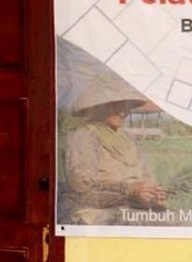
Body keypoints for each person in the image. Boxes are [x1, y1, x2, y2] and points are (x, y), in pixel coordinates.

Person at [64, 72, 168, 225]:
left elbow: (147, 179)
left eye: (125, 105)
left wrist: (155, 194)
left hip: (136, 211)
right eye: (114, 106)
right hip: (98, 216)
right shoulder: (84, 138)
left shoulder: (130, 140)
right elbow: (81, 194)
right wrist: (129, 191)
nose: (122, 111)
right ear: (97, 106)